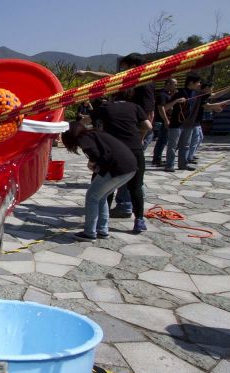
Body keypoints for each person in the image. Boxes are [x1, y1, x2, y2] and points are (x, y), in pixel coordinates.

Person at [76, 53, 154, 218]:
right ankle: (126, 216)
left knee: (122, 176)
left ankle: (121, 208)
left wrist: (139, 138)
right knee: (128, 178)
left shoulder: (143, 85)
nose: (123, 70)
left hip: (131, 137)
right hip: (125, 137)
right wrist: (87, 73)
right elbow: (108, 77)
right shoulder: (130, 85)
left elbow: (148, 117)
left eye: (126, 67)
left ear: (134, 66)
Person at [89, 89, 152, 233]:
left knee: (106, 187)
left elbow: (87, 122)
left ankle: (101, 223)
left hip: (114, 151)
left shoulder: (105, 108)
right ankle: (139, 221)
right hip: (135, 151)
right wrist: (140, 137)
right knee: (135, 187)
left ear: (112, 94)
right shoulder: (136, 107)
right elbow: (148, 126)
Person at [61, 122, 136, 241]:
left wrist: (92, 161)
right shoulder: (93, 134)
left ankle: (89, 232)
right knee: (101, 196)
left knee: (92, 197)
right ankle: (102, 230)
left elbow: (94, 152)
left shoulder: (84, 138)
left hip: (118, 167)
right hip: (130, 168)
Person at [186, 81, 230, 164]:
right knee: (196, 139)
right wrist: (222, 103)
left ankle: (191, 155)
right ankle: (189, 157)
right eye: (211, 88)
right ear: (206, 88)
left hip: (197, 120)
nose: (212, 90)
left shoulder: (204, 95)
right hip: (193, 120)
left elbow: (216, 95)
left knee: (199, 138)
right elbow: (206, 106)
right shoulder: (201, 95)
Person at [165, 73, 203, 171]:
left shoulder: (197, 94)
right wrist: (176, 101)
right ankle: (169, 165)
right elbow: (166, 107)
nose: (199, 84)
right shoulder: (180, 93)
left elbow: (213, 95)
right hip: (176, 124)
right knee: (172, 146)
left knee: (185, 146)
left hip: (189, 124)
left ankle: (183, 164)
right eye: (198, 82)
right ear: (191, 82)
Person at [151, 78, 177, 166]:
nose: (175, 86)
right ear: (168, 84)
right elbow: (161, 108)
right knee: (162, 140)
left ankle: (157, 158)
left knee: (163, 140)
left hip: (166, 120)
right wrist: (166, 120)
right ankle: (156, 159)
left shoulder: (168, 94)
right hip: (162, 121)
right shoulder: (162, 94)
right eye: (174, 84)